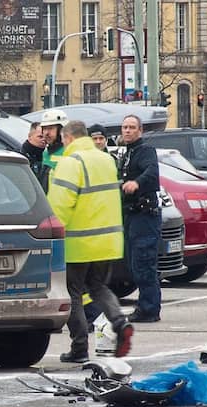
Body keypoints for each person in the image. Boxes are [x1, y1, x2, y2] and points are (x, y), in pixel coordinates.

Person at [46, 119, 134, 363]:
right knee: (98, 287)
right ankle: (119, 321)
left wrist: (51, 233)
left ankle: (79, 348)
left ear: (69, 138)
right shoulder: (106, 159)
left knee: (72, 292)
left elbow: (60, 205)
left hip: (78, 242)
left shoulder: (70, 163)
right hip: (108, 240)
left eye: (63, 140)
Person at [118, 115, 162, 323]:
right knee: (135, 264)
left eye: (132, 127)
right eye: (125, 127)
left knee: (144, 263)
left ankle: (149, 309)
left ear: (140, 130)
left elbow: (152, 173)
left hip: (145, 215)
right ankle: (145, 306)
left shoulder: (145, 151)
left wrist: (136, 183)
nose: (127, 131)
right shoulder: (127, 153)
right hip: (131, 215)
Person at [38, 109, 68, 193]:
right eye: (44, 129)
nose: (46, 133)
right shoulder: (46, 152)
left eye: (51, 128)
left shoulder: (68, 152)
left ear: (61, 130)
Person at [21, 121, 47, 185]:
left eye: (45, 136)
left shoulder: (47, 155)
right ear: (30, 137)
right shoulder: (22, 157)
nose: (44, 139)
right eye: (40, 137)